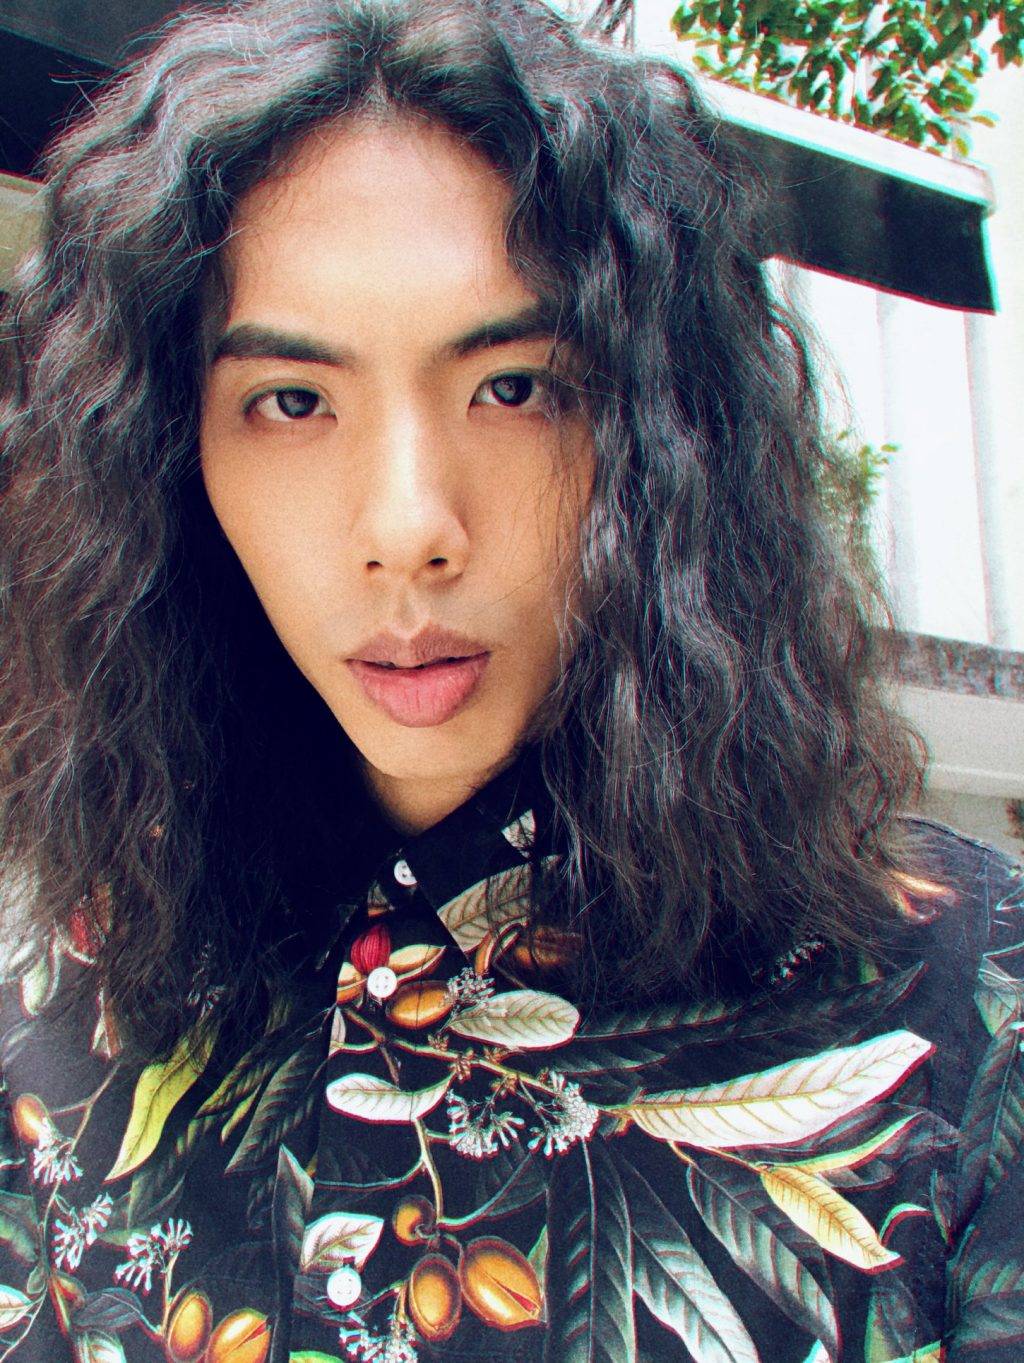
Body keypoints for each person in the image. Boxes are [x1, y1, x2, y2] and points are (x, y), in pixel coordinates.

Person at [0, 0, 1021, 1359]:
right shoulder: (58, 1006)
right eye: (293, 402)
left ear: (663, 435)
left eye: (517, 387)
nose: (410, 527)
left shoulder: (971, 1015)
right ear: (170, 460)